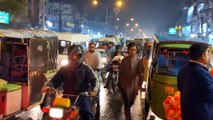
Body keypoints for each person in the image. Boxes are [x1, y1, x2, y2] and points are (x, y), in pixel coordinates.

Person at [42, 45, 96, 120]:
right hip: (66, 96)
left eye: (76, 55)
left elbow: (94, 80)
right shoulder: (64, 69)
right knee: (49, 112)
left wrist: (94, 90)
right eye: (72, 55)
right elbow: (55, 80)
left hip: (82, 97)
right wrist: (48, 86)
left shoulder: (86, 69)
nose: (74, 57)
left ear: (80, 56)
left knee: (88, 114)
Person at [177, 43, 213, 120]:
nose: (210, 55)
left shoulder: (183, 69)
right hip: (202, 115)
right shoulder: (203, 74)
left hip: (187, 113)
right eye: (208, 53)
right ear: (203, 55)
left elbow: (180, 88)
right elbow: (211, 97)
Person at [117, 42, 144, 120]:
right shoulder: (124, 61)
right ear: (128, 50)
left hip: (134, 86)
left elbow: (141, 74)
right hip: (125, 86)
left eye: (134, 50)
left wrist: (139, 85)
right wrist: (119, 83)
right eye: (131, 50)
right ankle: (128, 118)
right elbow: (121, 72)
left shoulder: (139, 60)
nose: (133, 52)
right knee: (127, 104)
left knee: (131, 101)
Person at [83, 42, 102, 120]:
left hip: (95, 73)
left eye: (92, 47)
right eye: (90, 47)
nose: (91, 49)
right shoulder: (85, 53)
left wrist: (96, 69)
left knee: (95, 91)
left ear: (95, 48)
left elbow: (99, 64)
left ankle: (97, 104)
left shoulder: (98, 55)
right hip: (85, 75)